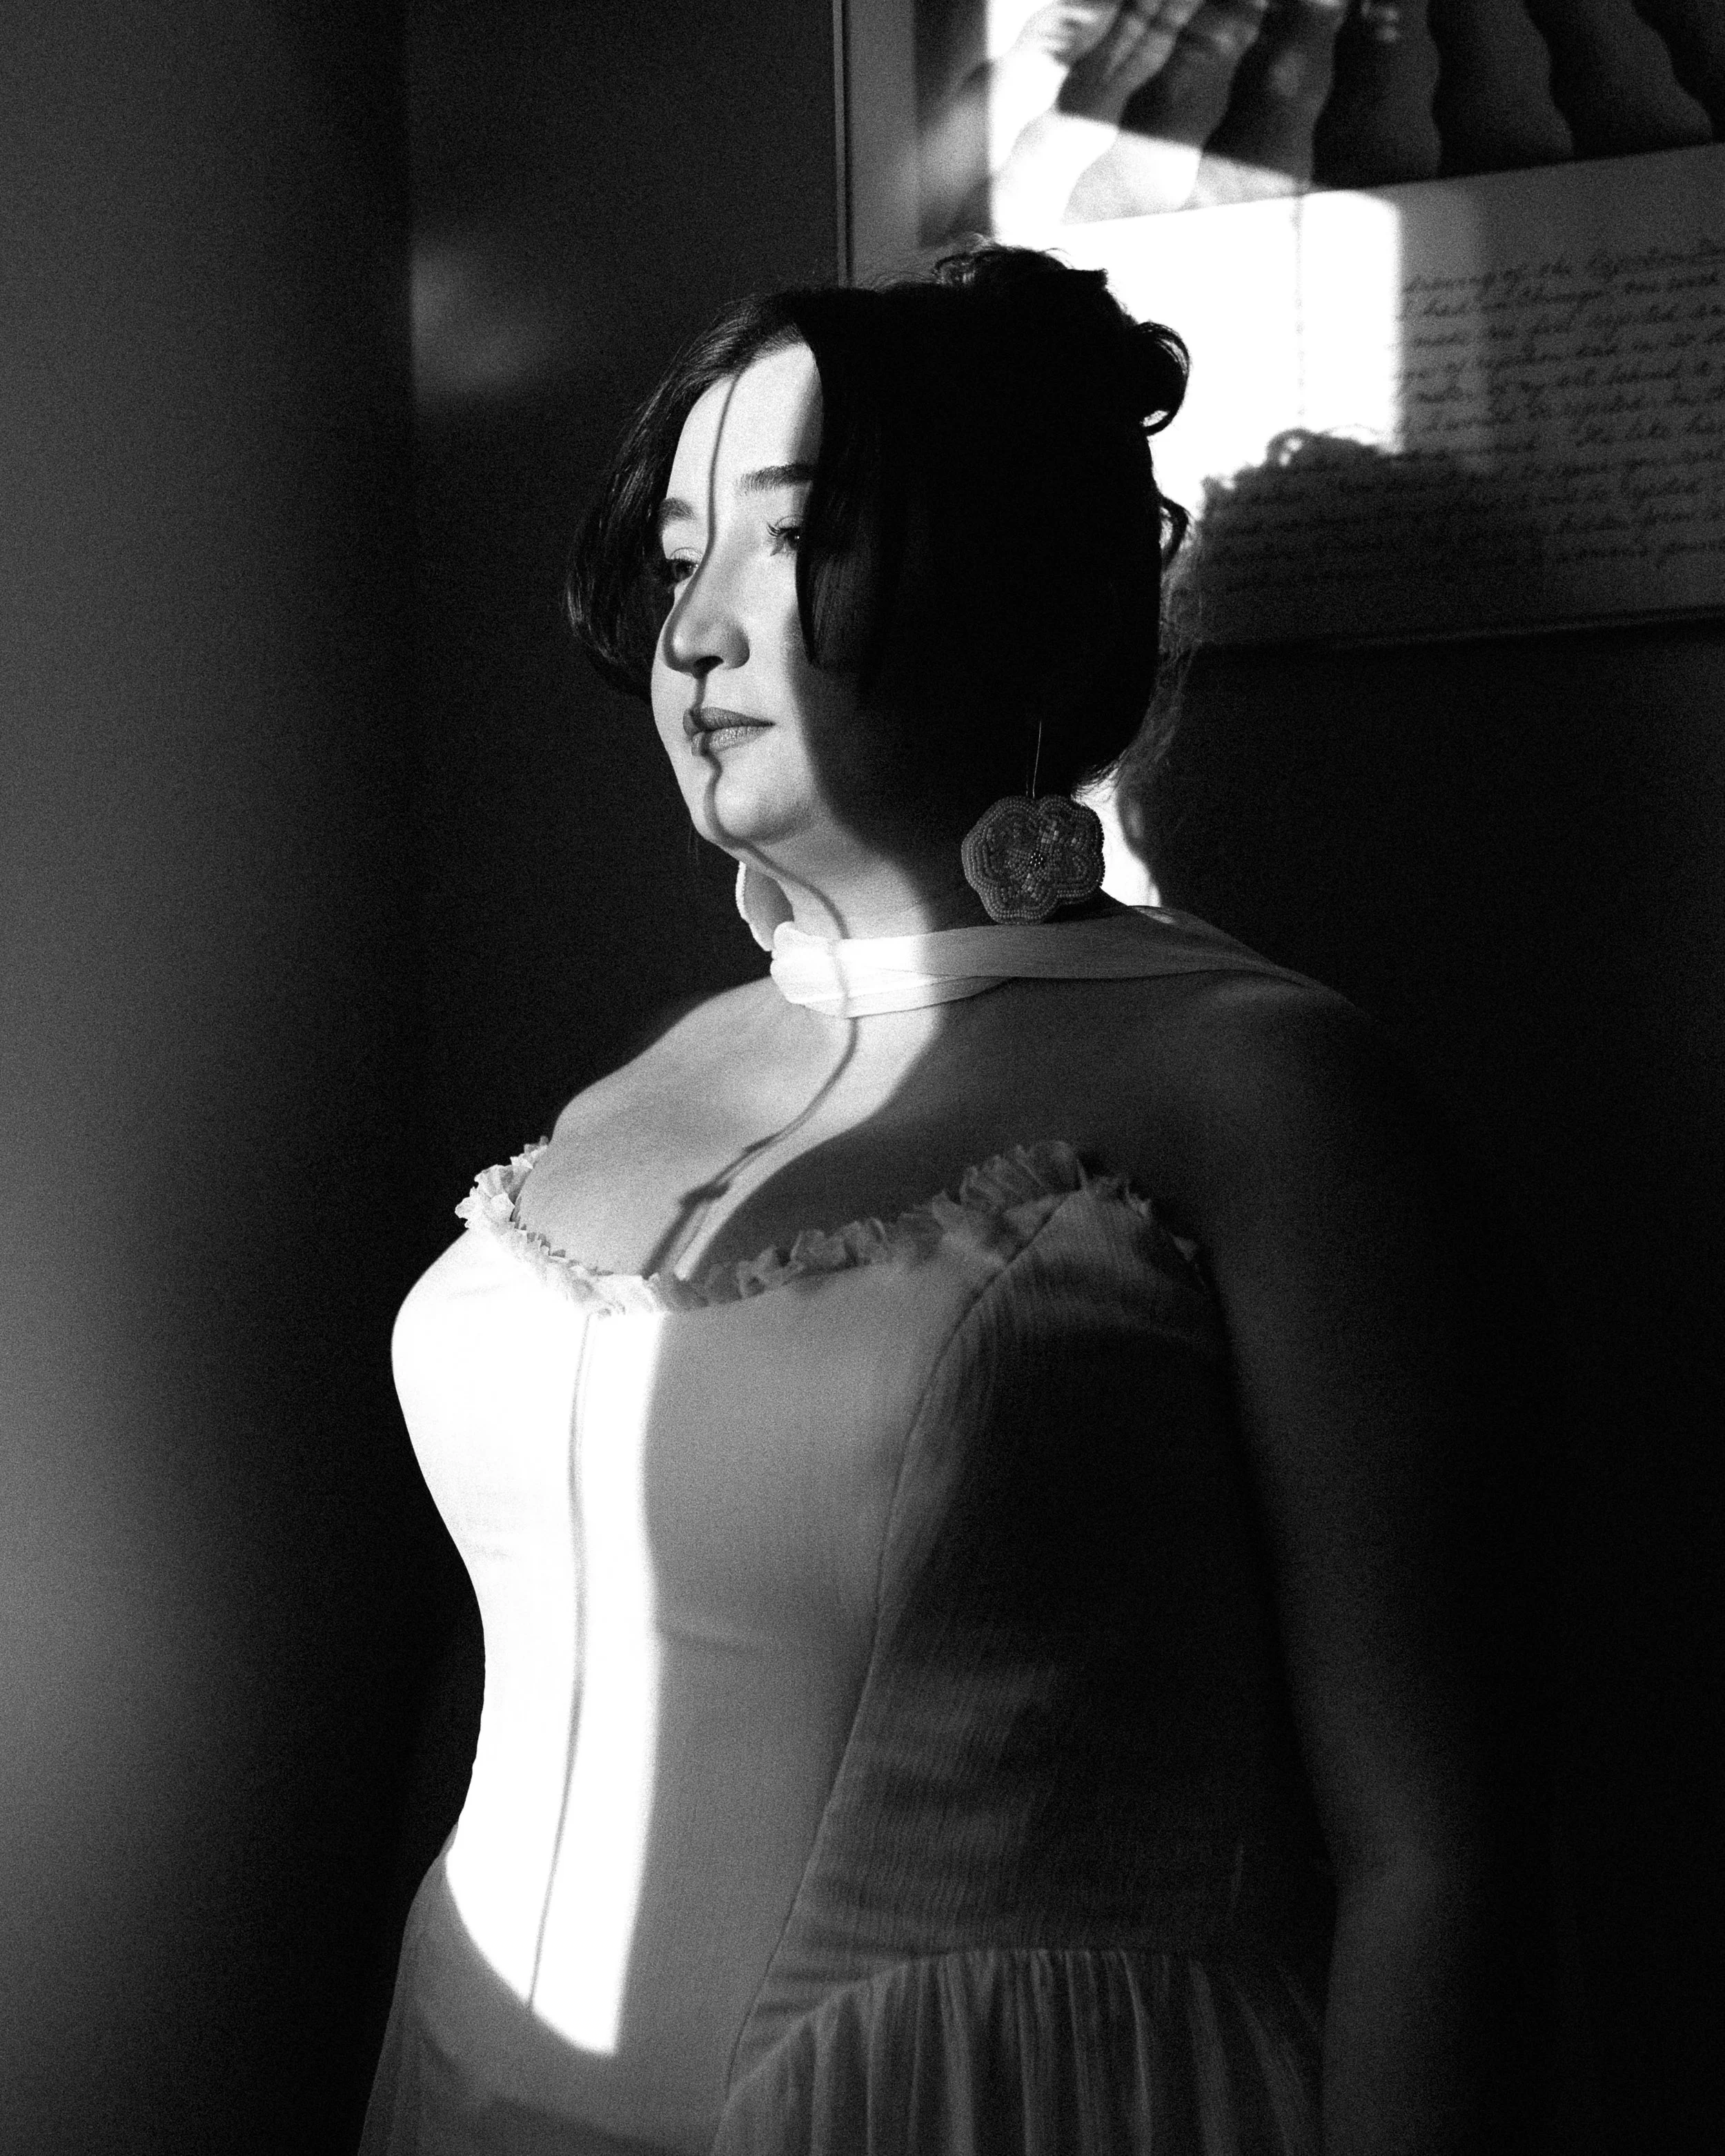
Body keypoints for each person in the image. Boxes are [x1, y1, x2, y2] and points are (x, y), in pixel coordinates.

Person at [362, 244, 1514, 2155]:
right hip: (458, 2088)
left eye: (788, 539)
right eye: (674, 555)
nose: (699, 633)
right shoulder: (627, 1086)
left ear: (1008, 587)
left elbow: (1437, 1853)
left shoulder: (1260, 1090)